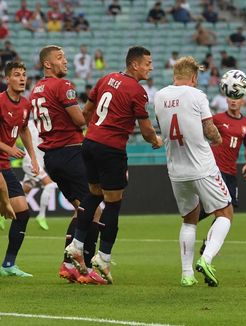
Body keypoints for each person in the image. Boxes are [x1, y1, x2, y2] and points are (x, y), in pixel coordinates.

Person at [65, 46, 162, 284]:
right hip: (111, 148)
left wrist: (91, 132)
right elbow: (147, 129)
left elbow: (87, 110)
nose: (151, 67)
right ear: (135, 64)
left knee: (93, 194)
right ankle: (103, 259)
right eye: (148, 63)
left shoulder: (106, 78)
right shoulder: (137, 91)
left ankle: (76, 245)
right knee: (113, 204)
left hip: (90, 143)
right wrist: (156, 141)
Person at [154, 56, 233, 287]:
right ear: (194, 77)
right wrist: (219, 138)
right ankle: (206, 259)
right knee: (225, 213)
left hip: (176, 170)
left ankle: (186, 274)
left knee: (189, 219)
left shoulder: (159, 96)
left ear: (174, 76)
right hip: (202, 166)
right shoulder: (197, 95)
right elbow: (210, 130)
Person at [30, 45, 104, 284]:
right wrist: (94, 105)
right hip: (70, 151)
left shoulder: (36, 89)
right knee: (95, 209)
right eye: (60, 58)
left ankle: (67, 265)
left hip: (52, 157)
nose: (66, 61)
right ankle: (85, 266)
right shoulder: (63, 85)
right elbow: (79, 120)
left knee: (80, 208)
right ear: (47, 64)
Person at [198, 93, 246, 253]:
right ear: (227, 100)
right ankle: (197, 229)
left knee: (226, 210)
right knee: (222, 208)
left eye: (237, 98)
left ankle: (198, 226)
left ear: (242, 101)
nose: (233, 101)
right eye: (230, 98)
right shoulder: (216, 119)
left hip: (231, 172)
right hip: (215, 169)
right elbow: (202, 132)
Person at [0, 61, 39, 277]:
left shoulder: (25, 104)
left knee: (22, 213)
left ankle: (8, 265)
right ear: (8, 79)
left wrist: (33, 157)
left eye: (24, 74)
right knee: (7, 206)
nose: (22, 78)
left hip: (4, 164)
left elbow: (24, 130)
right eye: (17, 74)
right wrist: (9, 147)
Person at [22, 119, 57, 231]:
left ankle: (1, 214)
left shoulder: (48, 126)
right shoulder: (29, 124)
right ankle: (41, 215)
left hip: (38, 163)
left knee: (24, 191)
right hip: (31, 162)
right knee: (50, 185)